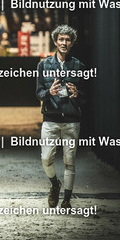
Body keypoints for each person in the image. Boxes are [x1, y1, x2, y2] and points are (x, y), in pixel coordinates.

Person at [35, 24, 86, 210]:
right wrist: (49, 92)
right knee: (46, 158)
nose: (64, 43)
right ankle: (54, 184)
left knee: (69, 161)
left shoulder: (79, 66)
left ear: (72, 43)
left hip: (72, 120)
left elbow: (86, 98)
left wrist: (77, 94)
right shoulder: (43, 65)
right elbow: (39, 94)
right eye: (61, 39)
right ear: (55, 42)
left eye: (68, 40)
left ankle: (67, 200)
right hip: (51, 118)